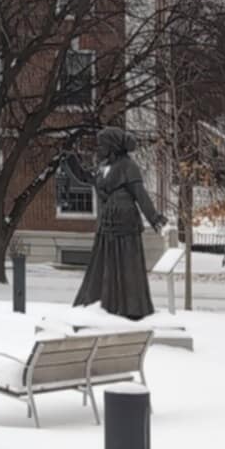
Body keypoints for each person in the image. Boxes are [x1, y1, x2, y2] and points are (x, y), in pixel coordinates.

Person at [64, 127, 167, 320]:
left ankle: (131, 307)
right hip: (107, 223)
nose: (99, 148)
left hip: (125, 222)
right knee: (104, 263)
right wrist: (69, 157)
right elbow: (86, 177)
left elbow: (140, 194)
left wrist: (154, 217)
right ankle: (101, 302)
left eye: (102, 145)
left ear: (112, 146)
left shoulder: (128, 166)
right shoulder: (103, 166)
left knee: (126, 264)